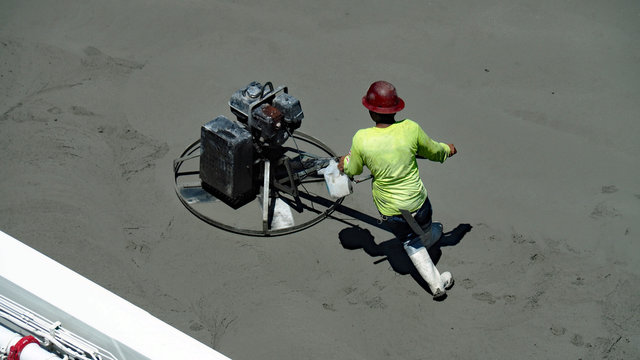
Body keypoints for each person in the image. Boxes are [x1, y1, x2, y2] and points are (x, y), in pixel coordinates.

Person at [338, 80, 457, 299]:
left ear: (371, 112)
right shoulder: (410, 128)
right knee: (426, 227)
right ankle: (434, 264)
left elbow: (352, 168)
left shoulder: (362, 139)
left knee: (411, 242)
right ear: (396, 109)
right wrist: (447, 150)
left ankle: (436, 284)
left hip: (392, 212)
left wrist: (344, 163)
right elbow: (433, 151)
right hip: (419, 205)